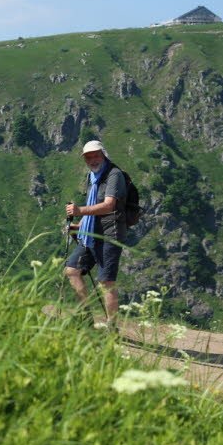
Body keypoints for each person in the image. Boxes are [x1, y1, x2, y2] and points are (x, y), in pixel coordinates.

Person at [64, 139, 128, 325]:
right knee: (72, 270)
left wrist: (79, 211)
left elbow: (109, 205)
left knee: (106, 282)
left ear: (103, 155)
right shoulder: (92, 177)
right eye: (88, 157)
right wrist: (80, 225)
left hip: (110, 233)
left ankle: (112, 328)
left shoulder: (114, 175)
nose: (92, 160)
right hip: (91, 232)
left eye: (96, 156)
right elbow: (93, 204)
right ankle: (86, 317)